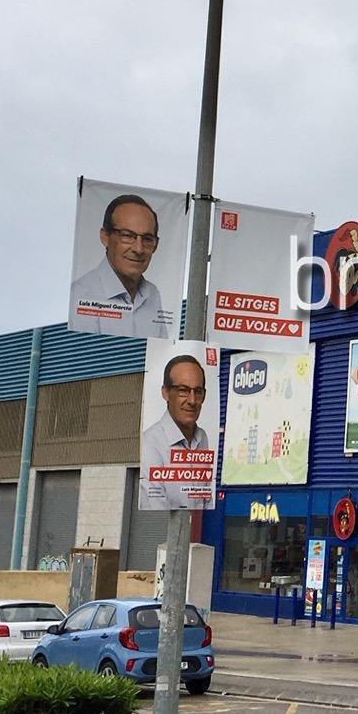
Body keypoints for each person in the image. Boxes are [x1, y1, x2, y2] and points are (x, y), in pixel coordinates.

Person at [70, 193, 176, 339]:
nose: (138, 249)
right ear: (105, 237)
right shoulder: (81, 294)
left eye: (147, 239)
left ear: (155, 245)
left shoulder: (152, 294)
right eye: (127, 236)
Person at [140, 355, 215, 510]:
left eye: (198, 391)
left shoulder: (202, 438)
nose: (192, 401)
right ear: (165, 393)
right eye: (183, 391)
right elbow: (156, 507)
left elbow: (207, 500)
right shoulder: (150, 444)